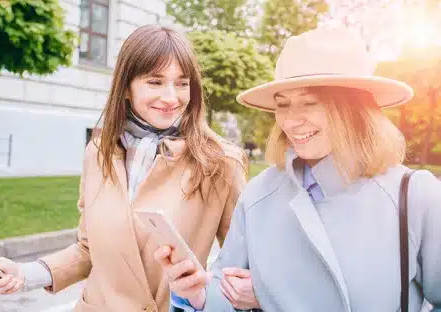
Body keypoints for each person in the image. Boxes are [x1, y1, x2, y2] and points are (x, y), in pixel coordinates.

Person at [156, 26, 441, 311]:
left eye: (309, 102)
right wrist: (197, 295)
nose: (291, 121)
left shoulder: (415, 195)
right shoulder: (259, 194)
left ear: (354, 108)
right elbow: (224, 289)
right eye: (283, 105)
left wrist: (270, 296)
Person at [0, 24, 247, 311]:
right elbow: (89, 250)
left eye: (182, 83)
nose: (171, 98)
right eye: (155, 82)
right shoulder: (98, 152)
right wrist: (25, 274)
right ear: (126, 88)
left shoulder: (221, 162)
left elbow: (240, 269)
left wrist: (201, 295)